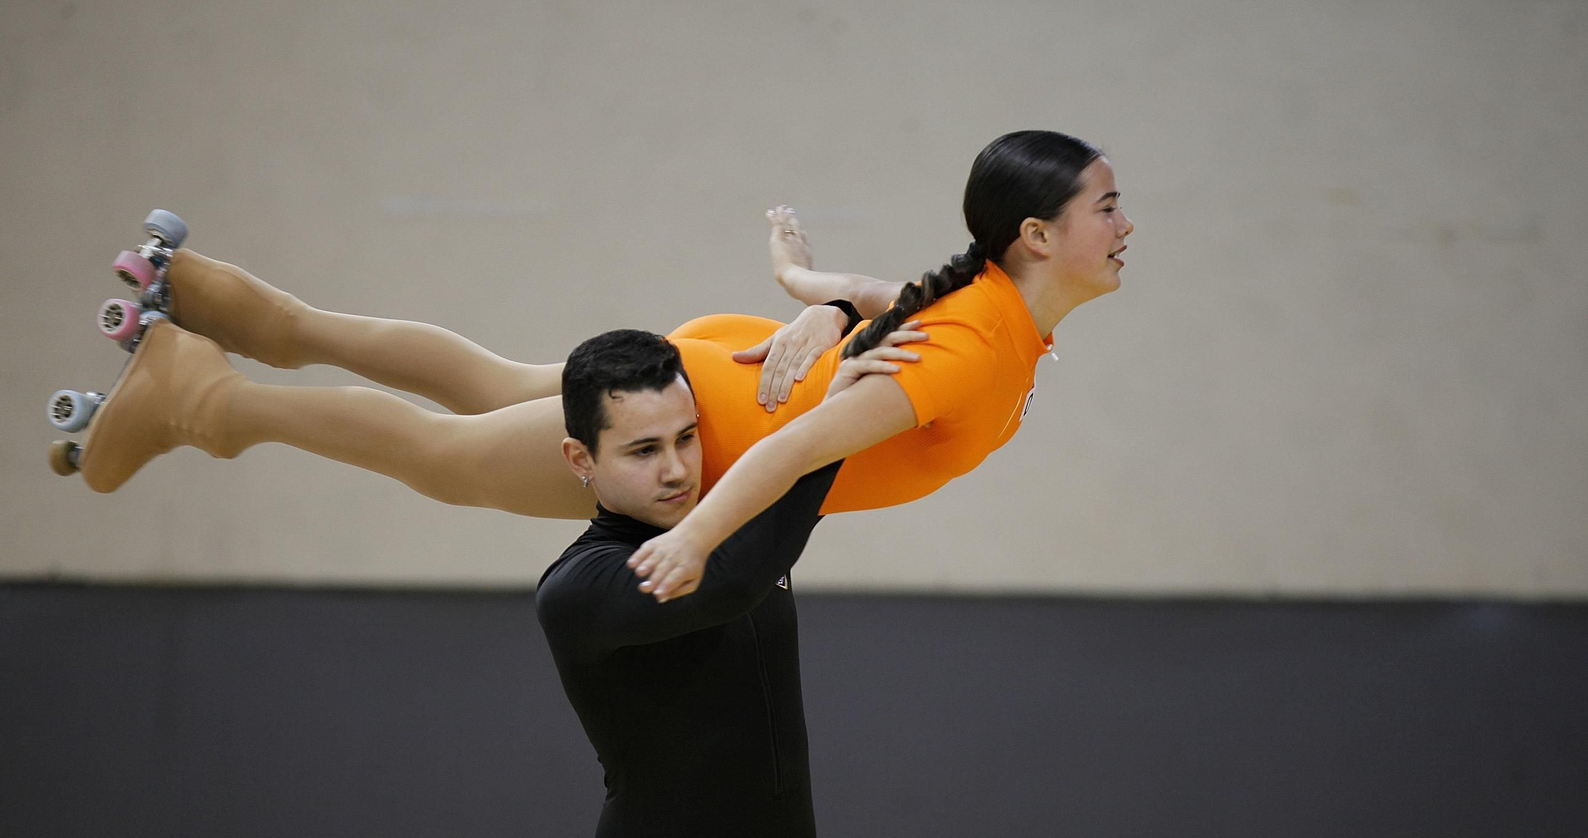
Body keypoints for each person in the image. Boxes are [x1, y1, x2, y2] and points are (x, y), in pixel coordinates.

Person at [55, 131, 1132, 568]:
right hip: (689, 431)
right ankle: (197, 394)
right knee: (442, 455)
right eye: (1108, 207)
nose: (1125, 226)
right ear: (1036, 235)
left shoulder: (992, 309)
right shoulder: (984, 349)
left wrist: (799, 284)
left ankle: (230, 302)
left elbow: (871, 298)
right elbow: (799, 449)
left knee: (487, 381)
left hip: (707, 364)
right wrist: (695, 537)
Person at [535, 327, 913, 838]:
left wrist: (832, 310)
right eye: (644, 450)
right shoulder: (580, 587)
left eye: (687, 437)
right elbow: (731, 583)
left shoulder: (732, 524)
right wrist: (828, 425)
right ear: (580, 458)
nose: (677, 468)